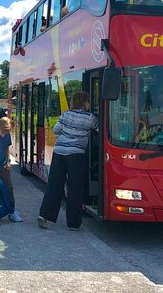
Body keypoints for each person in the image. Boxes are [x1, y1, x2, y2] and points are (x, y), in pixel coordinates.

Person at [38, 92, 98, 231]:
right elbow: (100, 129)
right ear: (85, 103)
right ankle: (73, 223)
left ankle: (45, 215)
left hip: (59, 152)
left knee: (54, 185)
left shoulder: (65, 114)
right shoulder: (90, 117)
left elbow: (56, 130)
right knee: (74, 188)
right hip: (76, 154)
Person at [0, 117, 23, 222]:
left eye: (5, 132)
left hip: (3, 165)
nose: (3, 134)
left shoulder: (6, 135)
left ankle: (12, 212)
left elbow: (7, 148)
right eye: (2, 132)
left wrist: (8, 161)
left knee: (9, 188)